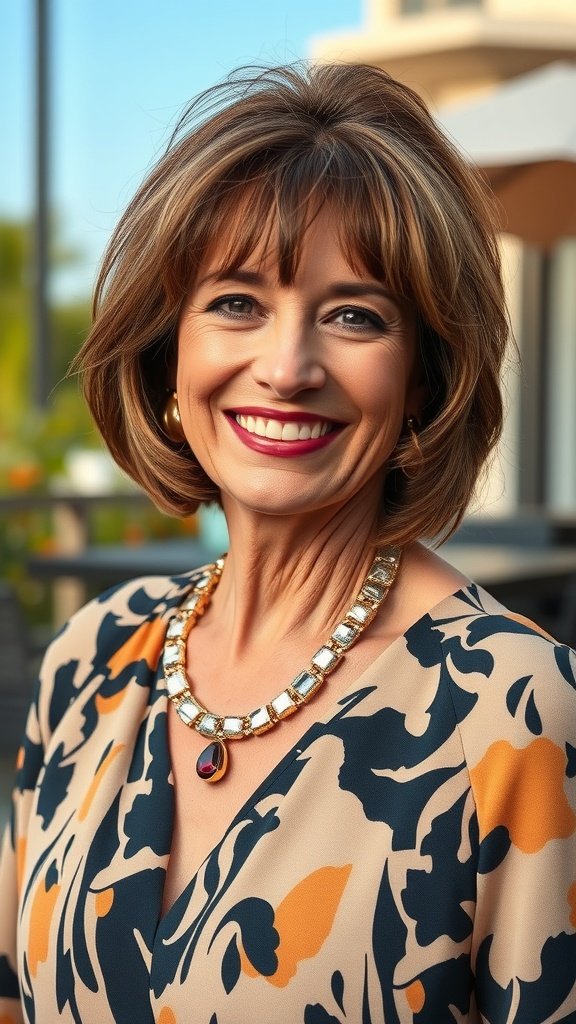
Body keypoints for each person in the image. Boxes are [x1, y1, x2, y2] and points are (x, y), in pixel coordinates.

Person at [1, 62, 575, 1024]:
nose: (288, 366)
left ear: (424, 380)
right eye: (236, 302)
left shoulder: (518, 714)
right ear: (168, 352)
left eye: (355, 315)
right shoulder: (90, 658)